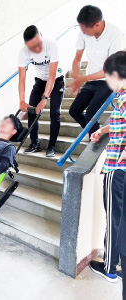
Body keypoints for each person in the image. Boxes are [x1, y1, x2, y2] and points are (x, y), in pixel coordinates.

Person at [89, 52, 126, 294]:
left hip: (117, 170)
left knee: (113, 219)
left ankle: (110, 267)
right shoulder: (121, 100)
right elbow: (119, 124)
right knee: (118, 220)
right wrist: (102, 131)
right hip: (117, 169)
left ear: (115, 76)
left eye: (107, 77)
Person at [69, 5, 123, 138]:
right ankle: (96, 134)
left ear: (97, 25)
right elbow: (77, 59)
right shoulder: (83, 32)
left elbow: (111, 69)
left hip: (109, 81)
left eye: (85, 30)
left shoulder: (115, 34)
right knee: (74, 110)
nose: (84, 33)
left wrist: (83, 78)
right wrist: (77, 78)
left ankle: (95, 141)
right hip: (92, 81)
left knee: (91, 113)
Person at [18, 25, 65, 157]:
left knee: (54, 113)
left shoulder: (51, 45)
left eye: (38, 44)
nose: (37, 49)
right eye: (33, 47)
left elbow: (52, 76)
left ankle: (51, 146)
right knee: (32, 110)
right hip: (40, 80)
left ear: (41, 36)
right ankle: (35, 144)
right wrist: (21, 100)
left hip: (56, 79)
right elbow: (22, 78)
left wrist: (44, 98)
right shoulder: (23, 52)